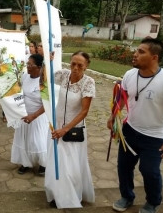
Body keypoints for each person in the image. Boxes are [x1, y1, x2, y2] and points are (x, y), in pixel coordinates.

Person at [107, 38, 163, 213]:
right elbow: (123, 95)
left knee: (149, 171)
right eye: (136, 50)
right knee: (124, 167)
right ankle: (127, 196)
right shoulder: (130, 75)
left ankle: (153, 202)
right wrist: (114, 116)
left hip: (155, 137)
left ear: (154, 57)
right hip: (130, 130)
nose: (135, 54)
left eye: (141, 52)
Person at [45, 51, 95, 209]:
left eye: (80, 65)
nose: (75, 68)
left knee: (70, 167)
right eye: (73, 63)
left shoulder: (88, 82)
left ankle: (72, 196)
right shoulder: (64, 75)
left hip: (73, 131)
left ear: (86, 66)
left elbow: (84, 111)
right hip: (57, 126)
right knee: (56, 163)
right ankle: (57, 193)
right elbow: (44, 79)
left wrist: (65, 130)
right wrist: (48, 61)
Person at [11, 54, 48, 176]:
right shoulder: (25, 76)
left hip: (38, 117)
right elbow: (18, 92)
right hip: (24, 115)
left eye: (30, 64)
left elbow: (47, 104)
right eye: (27, 63)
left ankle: (44, 164)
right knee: (24, 140)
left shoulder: (43, 81)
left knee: (38, 141)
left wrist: (34, 116)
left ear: (38, 67)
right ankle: (26, 163)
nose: (27, 66)